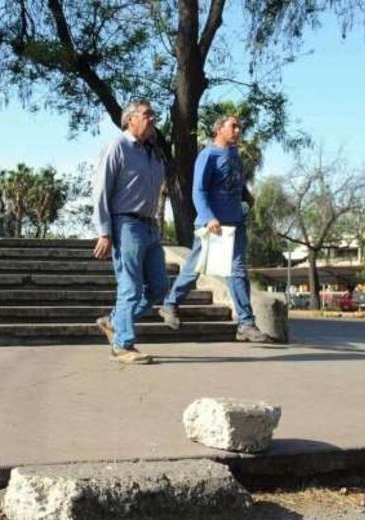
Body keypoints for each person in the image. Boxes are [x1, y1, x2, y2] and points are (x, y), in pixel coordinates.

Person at [158, 115, 270, 343]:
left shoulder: (235, 156)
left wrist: (247, 197)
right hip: (213, 226)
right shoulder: (208, 155)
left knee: (237, 272)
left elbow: (236, 185)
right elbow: (198, 191)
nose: (238, 130)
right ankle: (170, 304)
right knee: (193, 271)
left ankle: (246, 324)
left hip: (235, 225)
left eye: (240, 126)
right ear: (219, 129)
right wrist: (209, 217)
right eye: (233, 126)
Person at [91, 100, 167, 365]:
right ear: (129, 120)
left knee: (159, 288)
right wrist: (104, 231)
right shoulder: (118, 147)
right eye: (146, 115)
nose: (152, 119)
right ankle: (122, 345)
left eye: (153, 115)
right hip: (126, 225)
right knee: (131, 287)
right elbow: (101, 190)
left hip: (150, 225)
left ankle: (113, 321)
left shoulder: (153, 153)